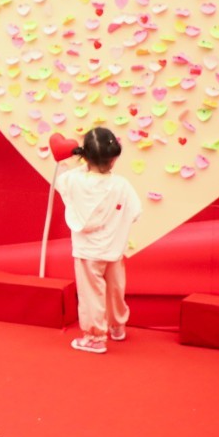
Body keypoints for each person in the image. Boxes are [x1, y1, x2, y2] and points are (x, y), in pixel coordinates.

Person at [54, 127, 142, 354]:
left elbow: (61, 180)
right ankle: (117, 326)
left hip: (88, 252)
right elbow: (135, 212)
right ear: (113, 159)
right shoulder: (121, 185)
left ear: (85, 156)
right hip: (113, 248)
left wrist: (81, 162)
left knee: (91, 294)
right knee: (115, 290)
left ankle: (95, 337)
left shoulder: (74, 180)